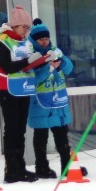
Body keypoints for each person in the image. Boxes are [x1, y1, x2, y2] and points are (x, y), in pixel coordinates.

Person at [0, 6, 49, 183]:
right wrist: (27, 61)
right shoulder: (0, 42)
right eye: (24, 27)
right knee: (12, 130)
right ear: (15, 25)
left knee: (21, 131)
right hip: (8, 90)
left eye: (28, 28)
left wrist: (42, 60)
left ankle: (20, 167)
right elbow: (7, 66)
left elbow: (28, 65)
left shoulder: (24, 43)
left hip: (23, 89)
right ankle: (11, 170)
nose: (26, 31)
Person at [26, 19, 76, 179]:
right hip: (40, 103)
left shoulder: (55, 51)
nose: (44, 41)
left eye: (46, 38)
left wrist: (61, 62)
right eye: (41, 39)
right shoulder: (31, 55)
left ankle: (67, 167)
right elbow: (33, 78)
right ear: (34, 40)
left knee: (62, 136)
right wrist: (48, 68)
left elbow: (69, 69)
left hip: (58, 102)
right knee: (41, 137)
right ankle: (42, 167)